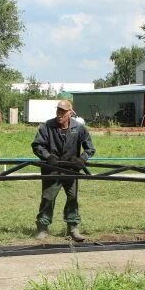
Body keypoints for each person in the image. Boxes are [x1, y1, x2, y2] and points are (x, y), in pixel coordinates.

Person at [31, 100, 96, 241]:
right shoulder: (47, 127)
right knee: (48, 198)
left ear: (70, 113)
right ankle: (42, 227)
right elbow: (37, 146)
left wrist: (82, 159)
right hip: (52, 170)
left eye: (63, 112)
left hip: (71, 171)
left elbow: (90, 148)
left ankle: (72, 228)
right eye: (58, 111)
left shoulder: (79, 128)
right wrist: (48, 157)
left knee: (72, 198)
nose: (60, 114)